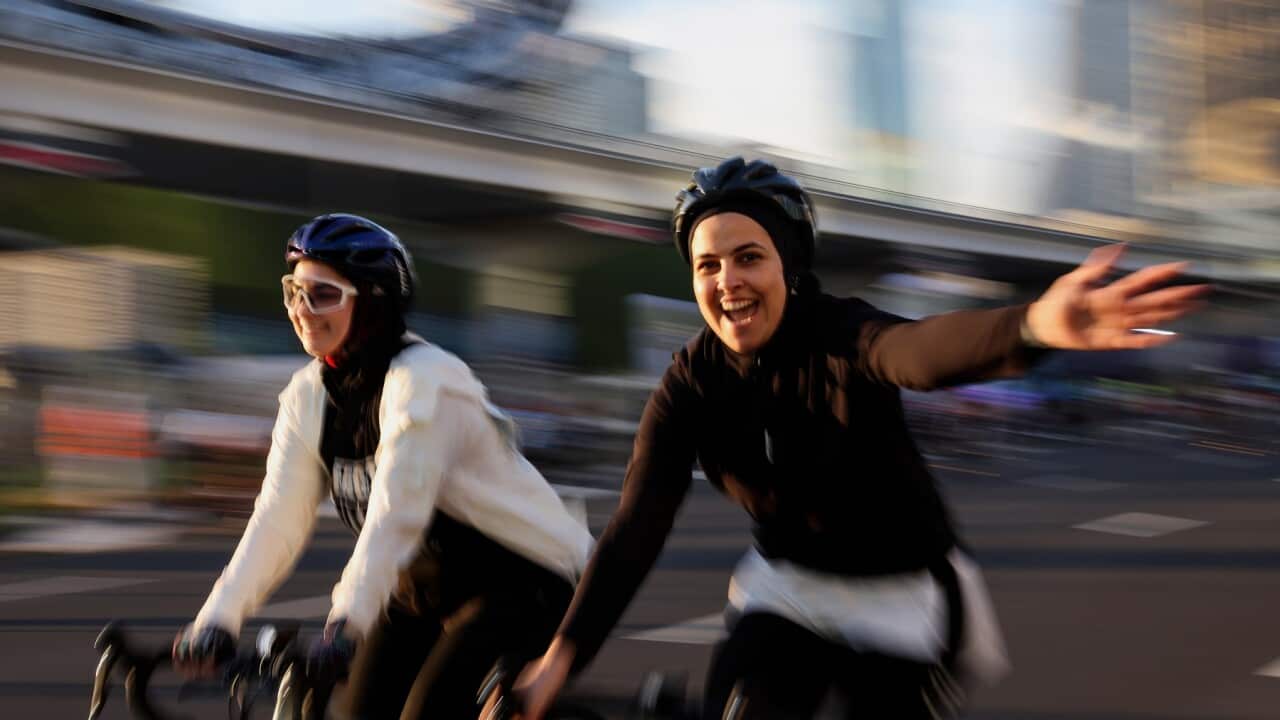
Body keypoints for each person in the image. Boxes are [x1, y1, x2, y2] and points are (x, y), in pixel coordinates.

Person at [493, 157, 1210, 719]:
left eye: (749, 257)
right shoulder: (691, 381)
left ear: (788, 266)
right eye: (707, 266)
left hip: (905, 602)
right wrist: (562, 657)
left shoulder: (841, 333)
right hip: (789, 592)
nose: (727, 282)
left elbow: (920, 351)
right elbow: (637, 525)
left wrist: (1031, 328)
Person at [172, 213, 593, 718]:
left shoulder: (427, 381)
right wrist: (217, 621)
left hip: (529, 580)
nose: (302, 309)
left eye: (323, 294)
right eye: (294, 291)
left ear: (372, 302)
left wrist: (344, 624)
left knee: (429, 711)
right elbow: (277, 519)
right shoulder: (308, 396)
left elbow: (397, 514)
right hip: (422, 590)